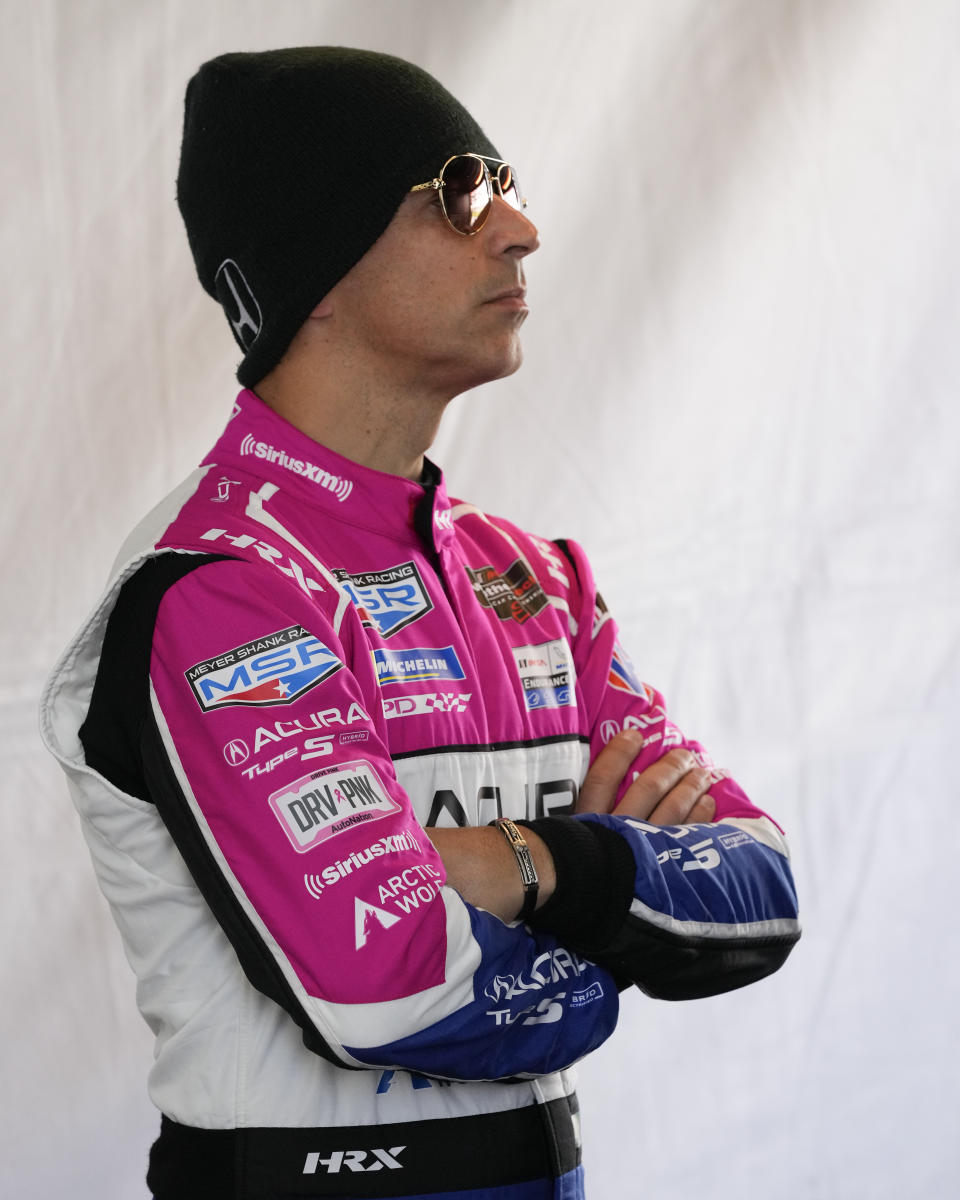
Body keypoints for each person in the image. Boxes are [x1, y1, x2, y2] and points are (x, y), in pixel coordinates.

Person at [40, 47, 800, 1200]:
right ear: (318, 263)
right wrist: (625, 917)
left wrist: (535, 867)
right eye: (462, 189)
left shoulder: (534, 579)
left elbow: (764, 890)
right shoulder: (219, 587)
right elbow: (395, 989)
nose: (522, 228)